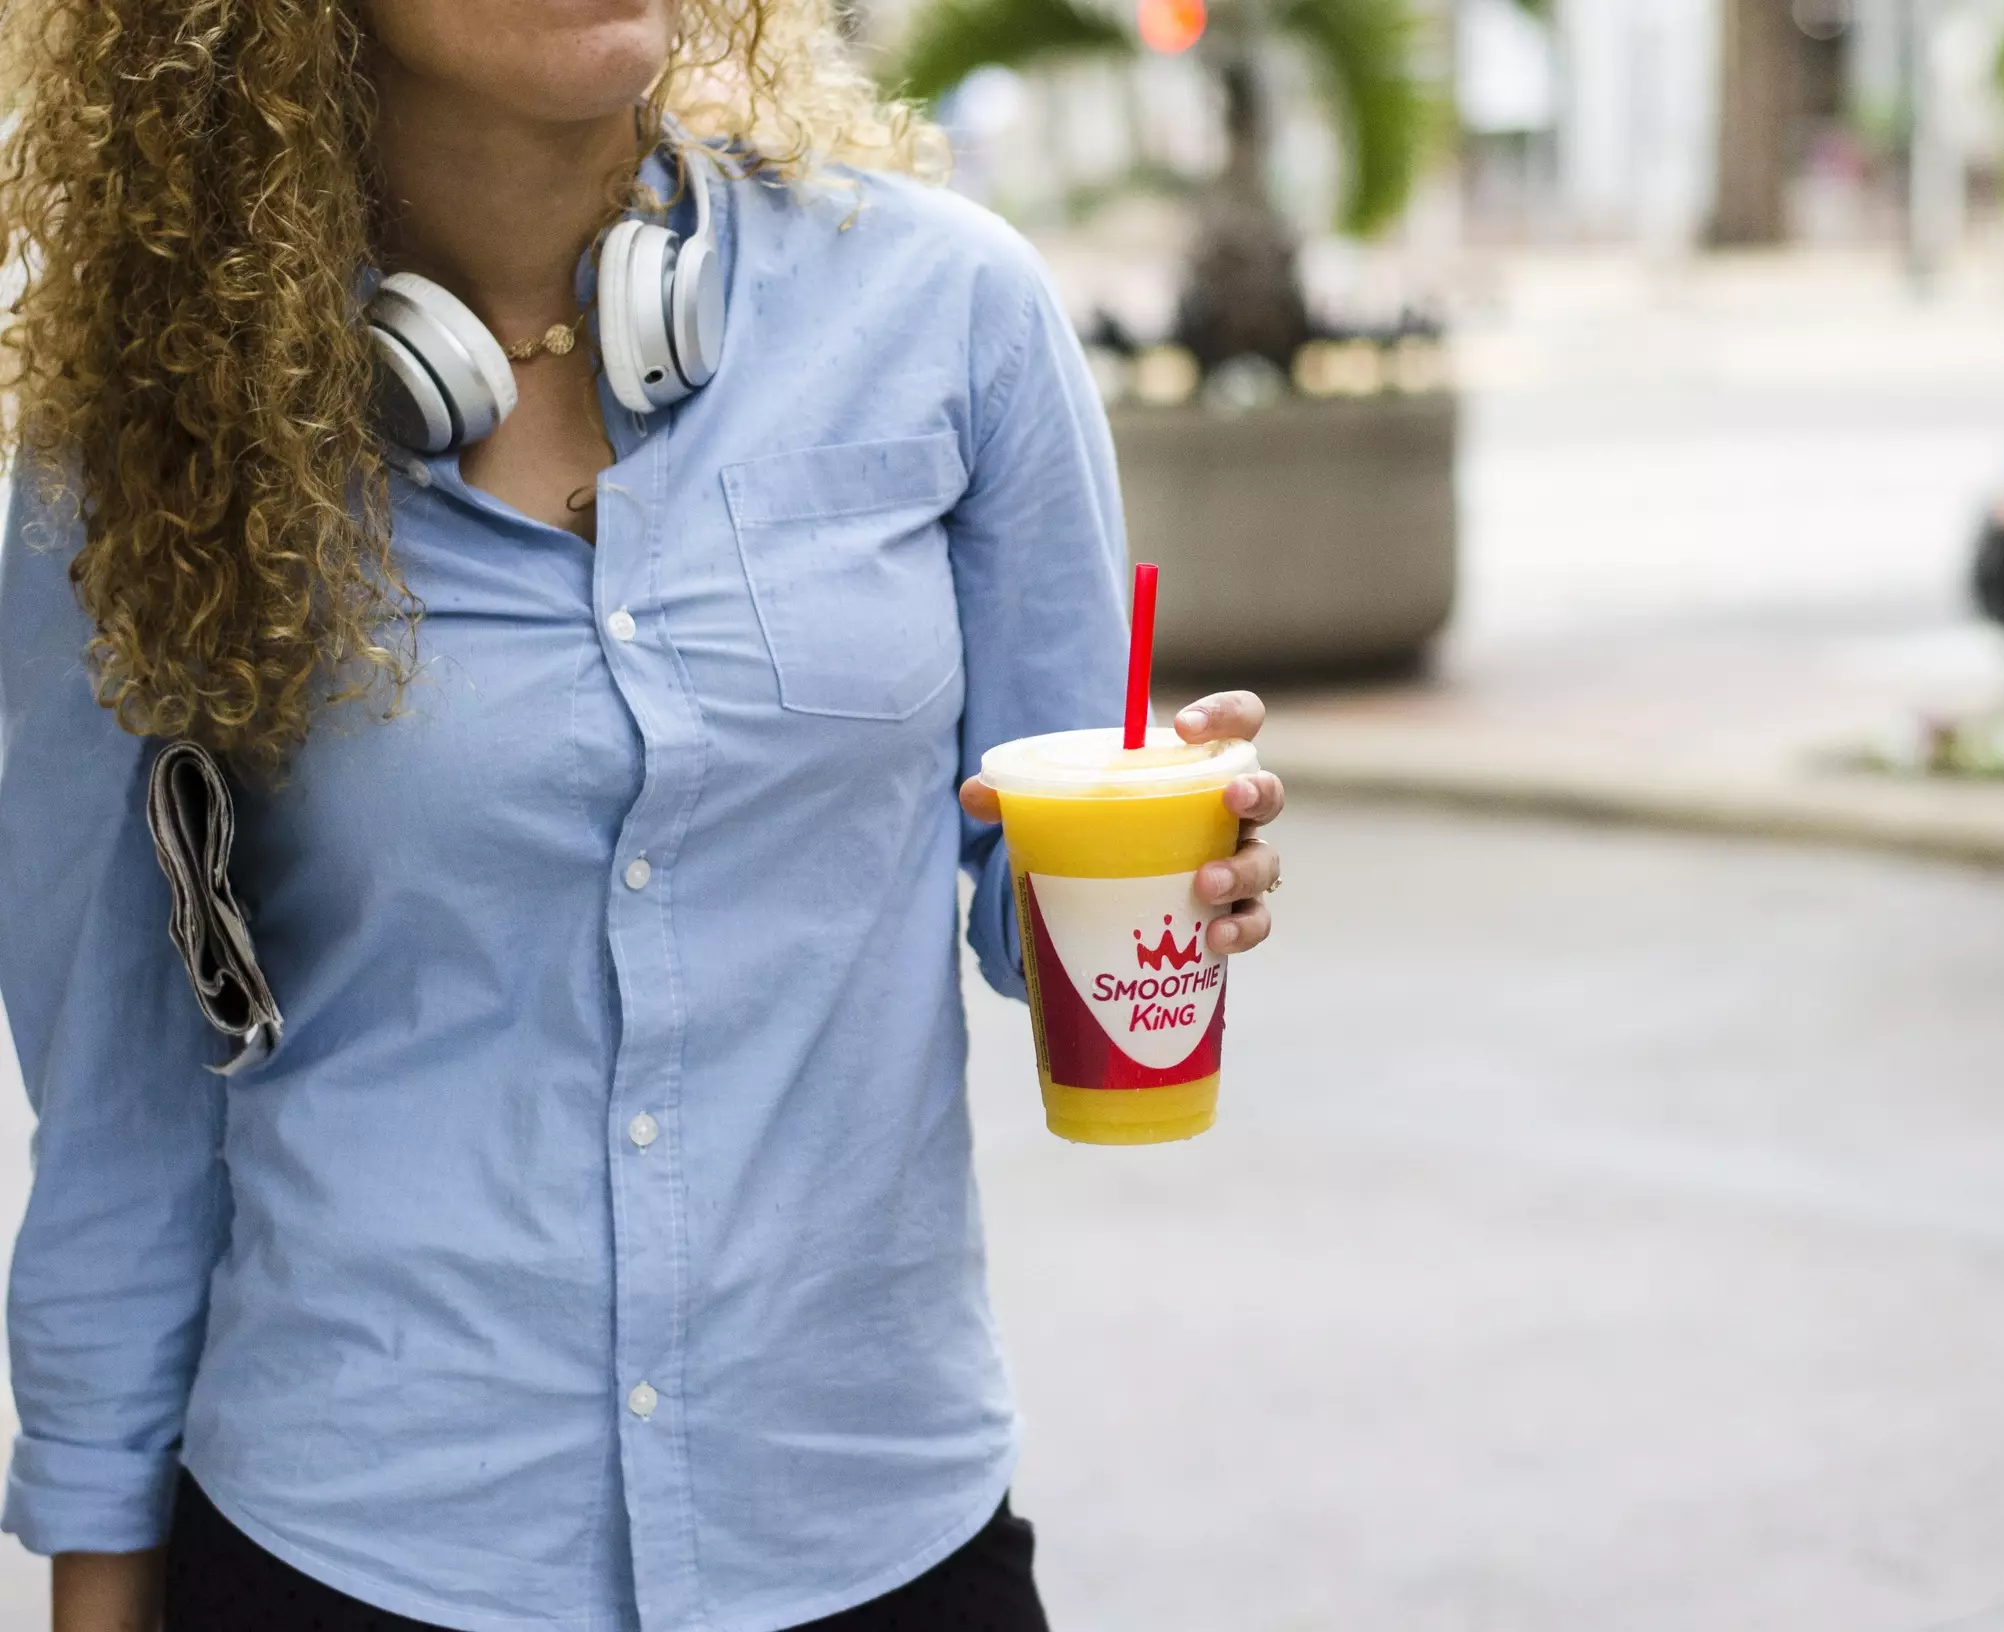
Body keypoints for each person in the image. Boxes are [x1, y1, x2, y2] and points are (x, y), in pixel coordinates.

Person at [0, 2, 1284, 1628]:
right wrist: (99, 1583)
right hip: (362, 1544)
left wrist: (1173, 864)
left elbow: (1043, 902)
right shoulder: (144, 442)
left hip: (870, 1526)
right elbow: (119, 1093)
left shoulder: (945, 310)